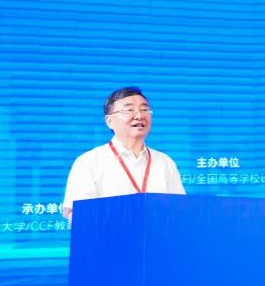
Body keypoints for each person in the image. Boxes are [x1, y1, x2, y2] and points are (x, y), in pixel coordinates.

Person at [61, 86, 185, 222]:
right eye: (129, 110)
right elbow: (79, 216)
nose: (139, 116)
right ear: (109, 121)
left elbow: (180, 210)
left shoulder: (165, 162)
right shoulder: (89, 162)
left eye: (144, 109)